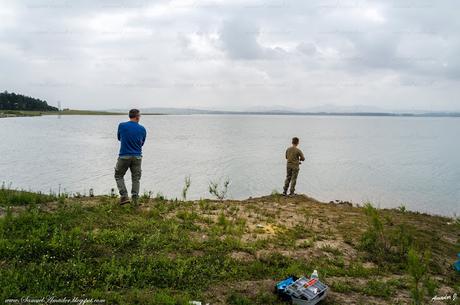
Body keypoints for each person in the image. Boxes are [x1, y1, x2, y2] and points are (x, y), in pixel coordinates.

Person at [114, 109, 147, 205]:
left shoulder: (122, 126)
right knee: (136, 178)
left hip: (124, 156)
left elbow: (119, 138)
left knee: (118, 175)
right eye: (139, 116)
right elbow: (142, 143)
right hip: (137, 156)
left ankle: (124, 196)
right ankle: (135, 200)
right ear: (137, 117)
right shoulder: (142, 129)